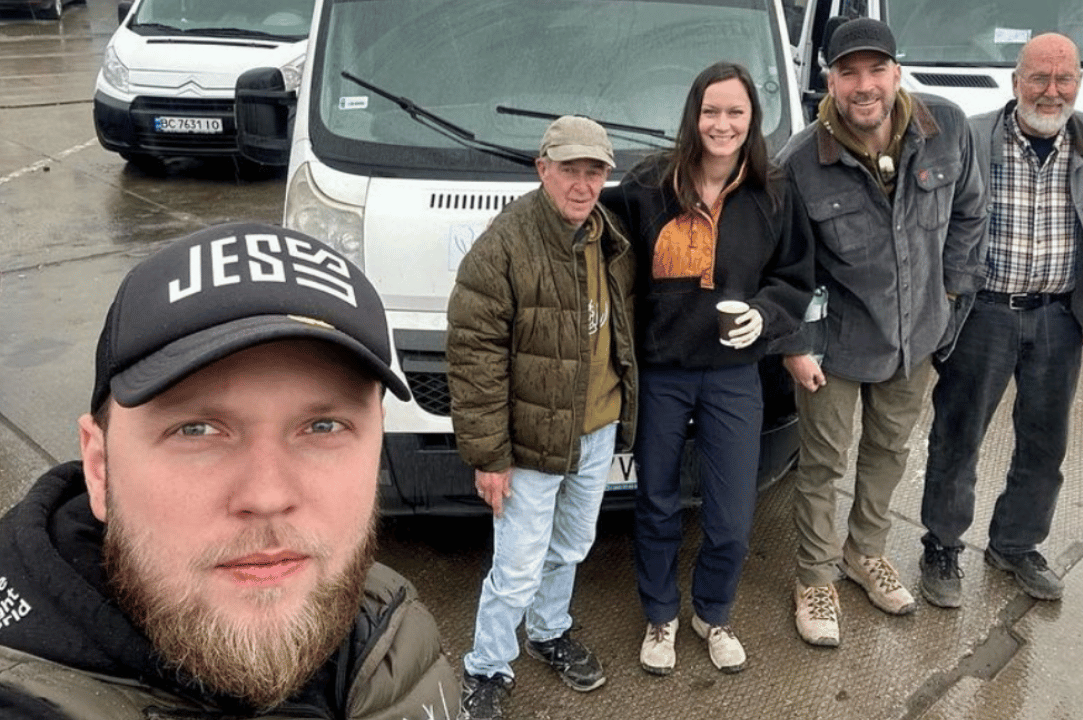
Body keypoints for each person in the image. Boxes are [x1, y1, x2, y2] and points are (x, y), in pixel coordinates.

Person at [0, 222, 457, 718]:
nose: (266, 495)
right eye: (196, 430)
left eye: (323, 425)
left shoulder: (395, 633)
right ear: (100, 467)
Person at [776, 17, 988, 647]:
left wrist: (949, 295)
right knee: (821, 464)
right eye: (849, 73)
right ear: (829, 82)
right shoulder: (799, 162)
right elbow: (788, 267)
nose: (864, 85)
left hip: (916, 337)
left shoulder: (946, 127)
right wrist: (798, 345)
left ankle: (863, 551)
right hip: (836, 347)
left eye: (876, 70)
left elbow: (972, 212)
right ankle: (814, 575)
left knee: (889, 452)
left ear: (897, 73)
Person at [602, 62, 812, 675]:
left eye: (735, 112)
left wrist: (767, 316)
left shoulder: (773, 191)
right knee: (658, 503)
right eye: (711, 111)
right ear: (693, 116)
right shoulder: (646, 186)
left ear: (752, 119)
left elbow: (795, 275)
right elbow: (597, 245)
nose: (723, 124)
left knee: (730, 516)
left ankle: (713, 613)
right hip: (662, 372)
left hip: (733, 377)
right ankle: (661, 615)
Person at [918, 33, 1083, 607]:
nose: (1051, 92)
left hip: (1059, 317)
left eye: (1064, 80)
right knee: (958, 436)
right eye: (1039, 78)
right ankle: (942, 543)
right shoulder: (973, 135)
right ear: (1016, 82)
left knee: (1045, 442)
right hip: (983, 313)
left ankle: (1015, 543)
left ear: (1078, 84)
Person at [446, 115, 637, 720]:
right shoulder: (504, 246)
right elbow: (474, 358)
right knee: (517, 563)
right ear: (543, 169)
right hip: (530, 443)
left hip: (596, 429)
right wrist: (490, 458)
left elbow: (621, 334)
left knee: (574, 544)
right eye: (571, 170)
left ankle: (549, 630)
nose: (583, 185)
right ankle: (488, 666)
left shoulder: (610, 237)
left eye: (595, 171)